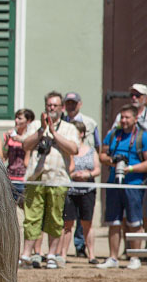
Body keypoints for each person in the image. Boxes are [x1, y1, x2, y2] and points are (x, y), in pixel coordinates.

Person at [22, 91, 80, 269]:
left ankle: (52, 255)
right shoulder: (35, 126)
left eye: (55, 105)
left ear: (61, 108)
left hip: (58, 179)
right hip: (36, 178)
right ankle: (26, 255)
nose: (51, 108)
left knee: (55, 218)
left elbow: (74, 149)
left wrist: (54, 133)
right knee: (32, 218)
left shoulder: (69, 128)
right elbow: (25, 145)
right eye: (49, 105)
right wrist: (42, 131)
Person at [97, 104, 146, 270]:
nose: (124, 121)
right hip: (113, 183)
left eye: (127, 117)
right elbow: (102, 154)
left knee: (135, 222)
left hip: (134, 184)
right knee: (114, 221)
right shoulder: (113, 135)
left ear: (135, 119)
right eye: (122, 117)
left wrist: (130, 168)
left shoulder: (142, 137)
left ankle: (135, 257)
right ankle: (113, 257)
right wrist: (112, 161)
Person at [62, 121, 100, 265]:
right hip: (71, 190)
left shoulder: (91, 150)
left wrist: (87, 174)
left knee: (87, 223)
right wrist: (73, 174)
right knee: (67, 224)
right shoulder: (68, 150)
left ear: (82, 134)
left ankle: (92, 255)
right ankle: (63, 255)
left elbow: (97, 169)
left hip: (87, 190)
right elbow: (65, 168)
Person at [4, 108, 34, 210]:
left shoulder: (30, 138)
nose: (16, 120)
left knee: (26, 209)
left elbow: (27, 162)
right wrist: (7, 142)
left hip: (23, 178)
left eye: (20, 118)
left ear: (28, 121)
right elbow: (4, 156)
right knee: (9, 210)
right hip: (10, 177)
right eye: (16, 117)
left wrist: (22, 141)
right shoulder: (10, 135)